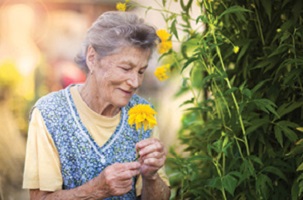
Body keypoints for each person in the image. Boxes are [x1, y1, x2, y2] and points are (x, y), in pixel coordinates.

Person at [22, 11, 171, 199]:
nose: (135, 82)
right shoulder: (49, 113)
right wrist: (96, 189)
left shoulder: (143, 114)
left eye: (141, 71)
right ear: (92, 58)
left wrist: (151, 177)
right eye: (126, 68)